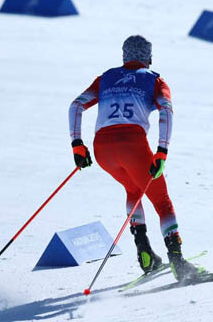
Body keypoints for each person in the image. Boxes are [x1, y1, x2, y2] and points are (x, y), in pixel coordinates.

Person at [68, 35, 199, 281]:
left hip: (102, 150)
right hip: (133, 146)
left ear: (124, 56)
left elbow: (76, 106)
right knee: (162, 202)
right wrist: (162, 151)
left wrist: (77, 145)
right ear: (148, 57)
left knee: (133, 190)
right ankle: (178, 262)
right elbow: (166, 112)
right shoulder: (154, 80)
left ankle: (145, 253)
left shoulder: (106, 77)